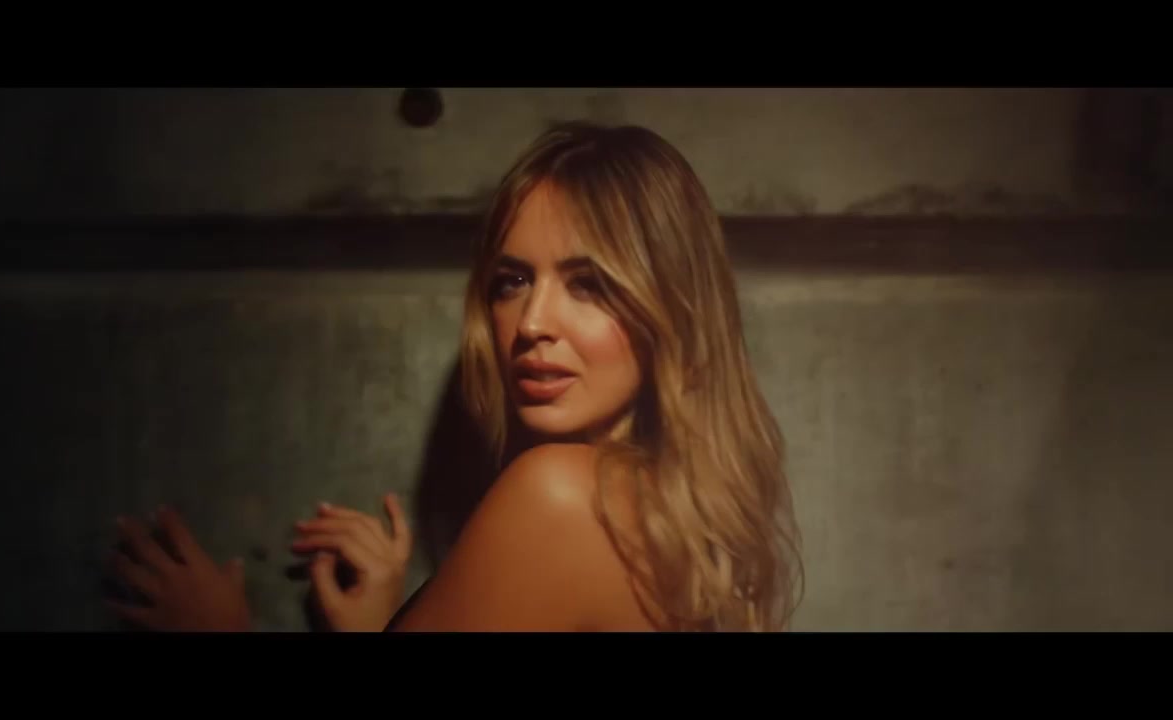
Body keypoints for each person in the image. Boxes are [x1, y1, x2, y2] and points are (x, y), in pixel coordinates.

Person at [106, 121, 803, 632]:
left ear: (672, 310)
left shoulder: (564, 494)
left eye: (588, 284)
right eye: (512, 281)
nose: (531, 323)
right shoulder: (671, 524)